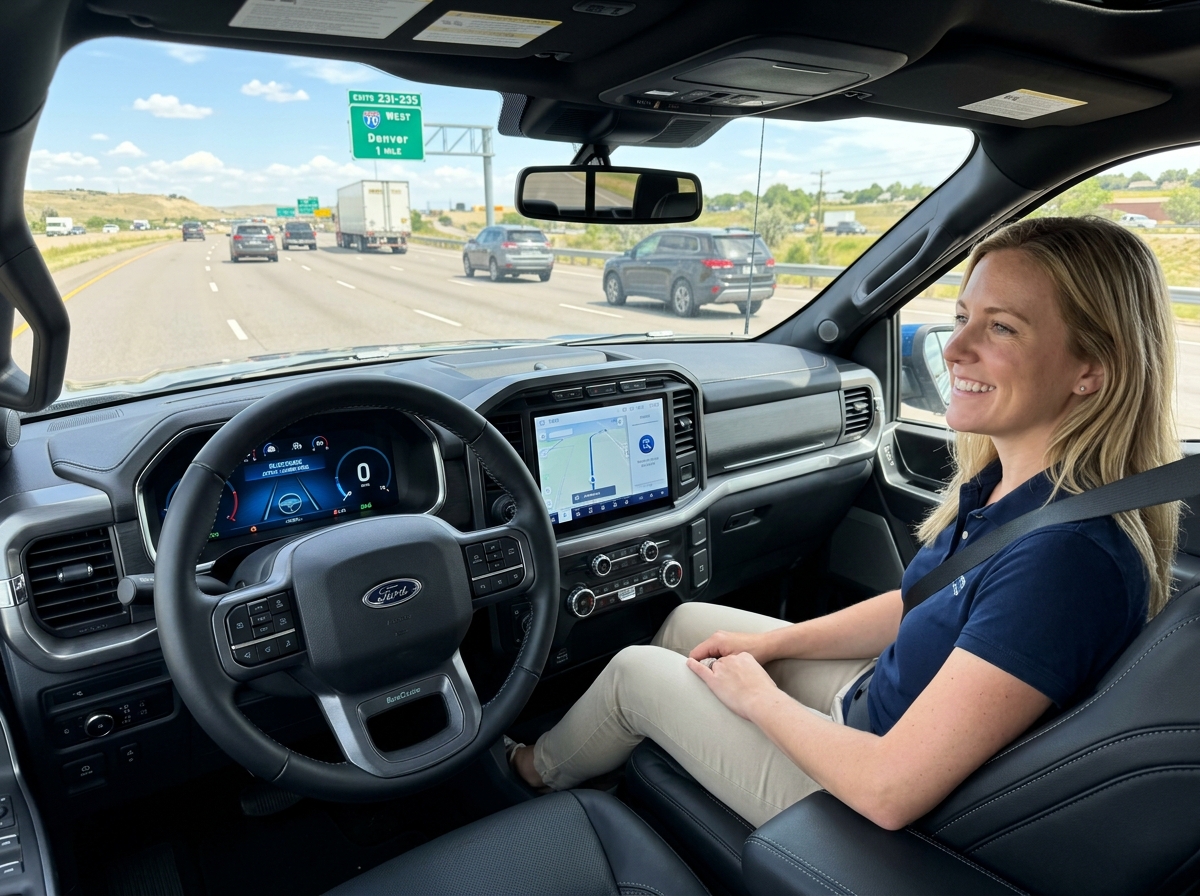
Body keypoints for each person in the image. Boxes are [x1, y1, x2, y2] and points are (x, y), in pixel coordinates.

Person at [511, 215, 1180, 830]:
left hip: (857, 791)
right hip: (876, 704)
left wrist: (757, 697)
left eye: (1002, 327)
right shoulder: (1019, 492)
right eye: (962, 317)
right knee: (693, 626)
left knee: (632, 673)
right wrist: (777, 647)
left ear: (1090, 369)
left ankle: (531, 774)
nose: (954, 350)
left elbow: (890, 791)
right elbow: (923, 602)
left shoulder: (1063, 560)